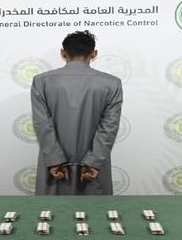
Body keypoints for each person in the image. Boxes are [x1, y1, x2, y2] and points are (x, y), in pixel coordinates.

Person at [31, 30, 123, 195]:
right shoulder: (112, 84)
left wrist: (54, 161)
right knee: (94, 210)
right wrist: (93, 162)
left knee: (52, 210)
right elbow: (109, 127)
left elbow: (42, 124)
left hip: (55, 168)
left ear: (62, 53)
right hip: (92, 169)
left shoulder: (42, 81)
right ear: (94, 54)